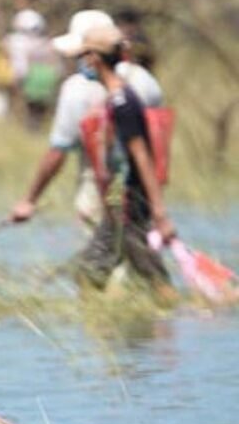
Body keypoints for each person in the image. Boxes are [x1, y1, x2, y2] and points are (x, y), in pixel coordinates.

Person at [18, 23, 176, 296]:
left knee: (148, 279)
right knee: (94, 272)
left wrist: (159, 214)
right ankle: (115, 330)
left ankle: (171, 325)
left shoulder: (122, 102)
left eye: (84, 56)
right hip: (119, 203)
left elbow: (141, 156)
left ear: (94, 58)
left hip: (128, 204)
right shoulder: (116, 98)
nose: (82, 63)